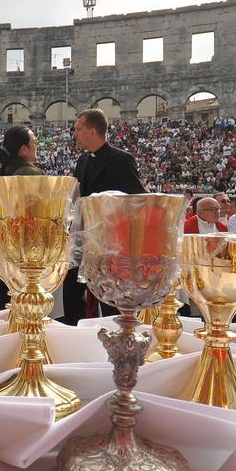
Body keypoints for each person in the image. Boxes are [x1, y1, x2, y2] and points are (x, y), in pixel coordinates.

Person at [61, 108, 145, 323]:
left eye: (78, 129)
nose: (74, 133)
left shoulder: (122, 160)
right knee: (71, 291)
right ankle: (74, 331)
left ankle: (115, 335)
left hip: (111, 243)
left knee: (110, 298)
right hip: (82, 240)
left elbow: (138, 200)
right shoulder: (82, 161)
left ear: (92, 130)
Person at [0, 125, 45, 313]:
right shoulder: (31, 174)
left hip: (1, 246)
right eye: (34, 144)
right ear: (23, 149)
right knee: (27, 305)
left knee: (3, 305)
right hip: (25, 248)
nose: (36, 147)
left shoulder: (1, 171)